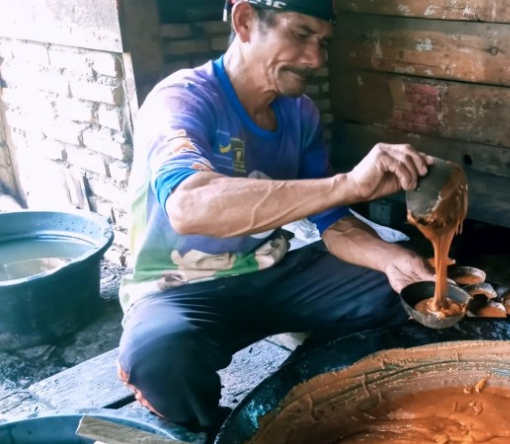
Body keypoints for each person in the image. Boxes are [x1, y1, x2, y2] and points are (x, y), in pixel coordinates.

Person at [117, 0, 435, 432]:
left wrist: (393, 260)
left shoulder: (300, 113)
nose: (316, 59)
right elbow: (188, 207)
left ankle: (324, 387)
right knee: (159, 358)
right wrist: (349, 184)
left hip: (275, 268)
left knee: (402, 291)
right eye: (300, 34)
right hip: (179, 287)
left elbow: (333, 221)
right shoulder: (181, 99)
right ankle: (212, 431)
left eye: (323, 43)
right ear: (245, 20)